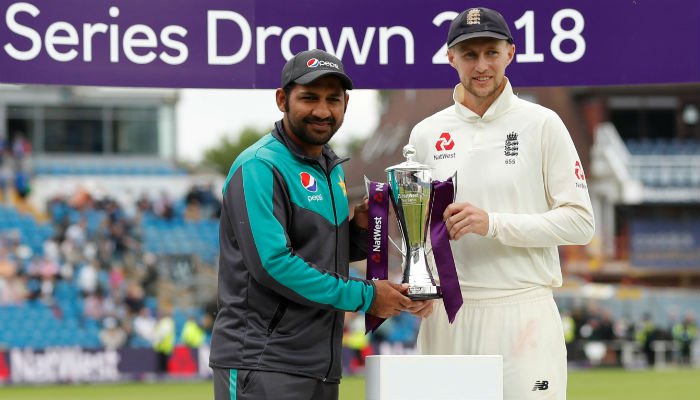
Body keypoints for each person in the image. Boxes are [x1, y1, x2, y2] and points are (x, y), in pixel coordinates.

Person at [209, 49, 423, 400]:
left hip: (319, 366)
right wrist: (367, 296)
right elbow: (273, 265)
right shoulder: (259, 167)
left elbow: (320, 253)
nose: (322, 111)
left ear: (346, 104)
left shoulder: (331, 169)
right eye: (309, 98)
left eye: (332, 100)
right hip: (262, 364)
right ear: (282, 99)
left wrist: (359, 231)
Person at [407, 7, 595, 400]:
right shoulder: (426, 133)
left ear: (510, 53)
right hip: (447, 315)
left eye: (491, 53)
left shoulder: (542, 123)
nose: (481, 65)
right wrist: (418, 287)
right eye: (470, 54)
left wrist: (492, 222)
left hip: (521, 310)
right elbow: (418, 231)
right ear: (451, 58)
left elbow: (580, 223)